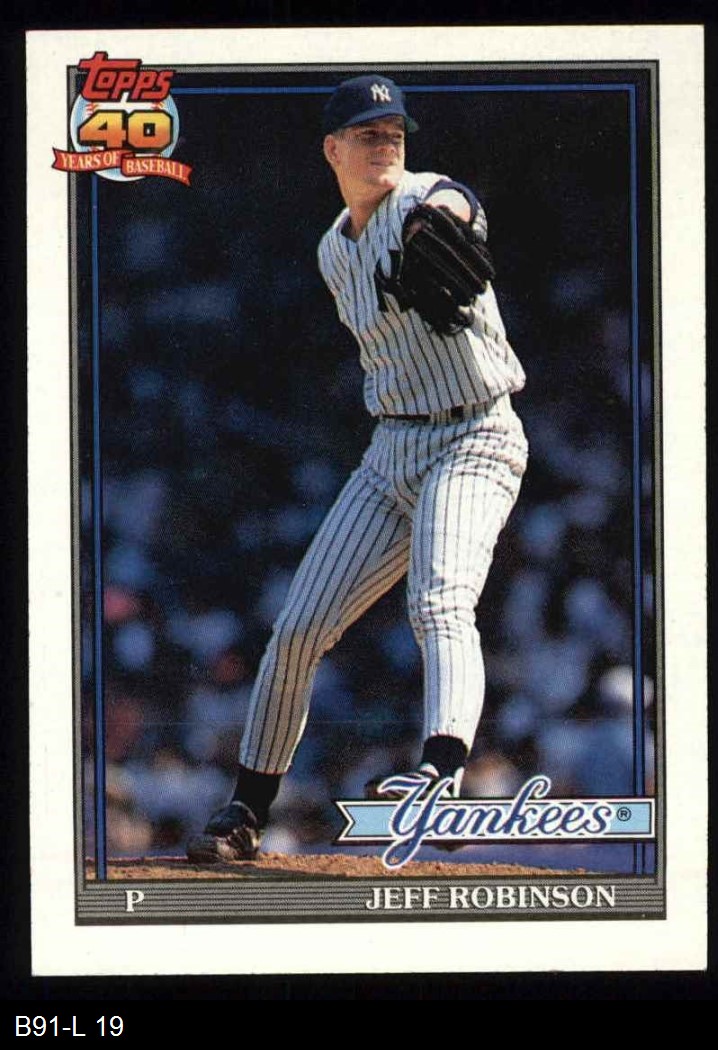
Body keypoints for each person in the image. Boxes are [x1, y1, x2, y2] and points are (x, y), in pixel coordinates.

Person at [186, 74, 528, 863]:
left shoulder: (423, 201)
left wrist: (446, 222)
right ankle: (246, 809)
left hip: (474, 435)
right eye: (369, 134)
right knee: (297, 629)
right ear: (331, 150)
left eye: (394, 134)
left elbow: (456, 204)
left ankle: (439, 782)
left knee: (439, 602)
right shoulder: (330, 251)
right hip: (391, 448)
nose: (385, 144)